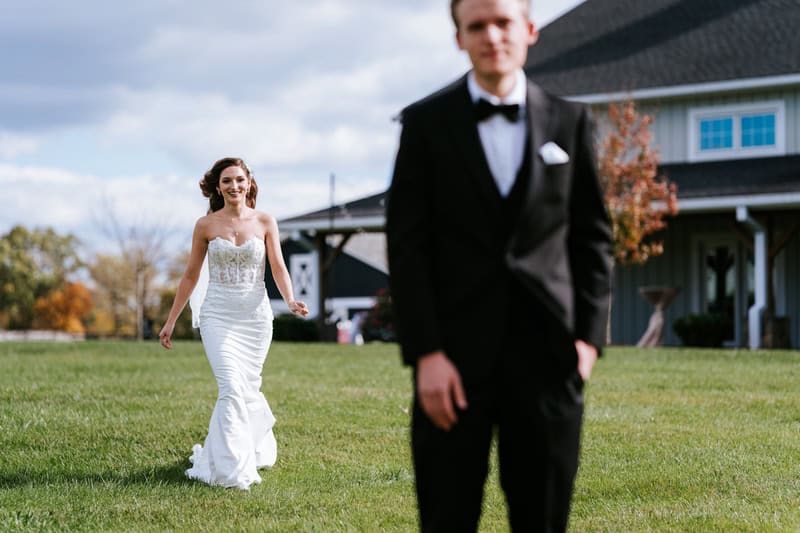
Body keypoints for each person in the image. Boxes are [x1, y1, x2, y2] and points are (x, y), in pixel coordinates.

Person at [386, 0, 613, 530]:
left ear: (529, 30)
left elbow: (593, 240)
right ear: (459, 38)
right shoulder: (425, 125)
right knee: (448, 517)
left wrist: (587, 342)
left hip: (549, 361)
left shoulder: (572, 122)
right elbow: (407, 246)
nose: (492, 35)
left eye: (504, 22)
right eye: (477, 25)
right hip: (452, 365)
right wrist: (427, 355)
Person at [159, 157, 308, 490]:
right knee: (230, 387)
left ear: (249, 182)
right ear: (217, 186)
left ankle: (246, 447)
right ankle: (230, 470)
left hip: (255, 320)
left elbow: (279, 268)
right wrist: (171, 321)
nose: (234, 186)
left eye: (239, 180)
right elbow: (190, 275)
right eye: (227, 181)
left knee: (247, 388)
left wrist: (290, 300)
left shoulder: (266, 221)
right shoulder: (206, 225)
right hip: (218, 317)